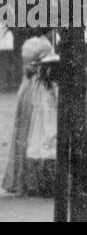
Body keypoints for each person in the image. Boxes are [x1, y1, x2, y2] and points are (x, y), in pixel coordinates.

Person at [3, 30, 55, 195]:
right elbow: (47, 66)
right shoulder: (44, 45)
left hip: (24, 89)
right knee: (38, 131)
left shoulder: (27, 44)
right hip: (38, 90)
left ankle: (21, 177)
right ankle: (34, 179)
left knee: (23, 133)